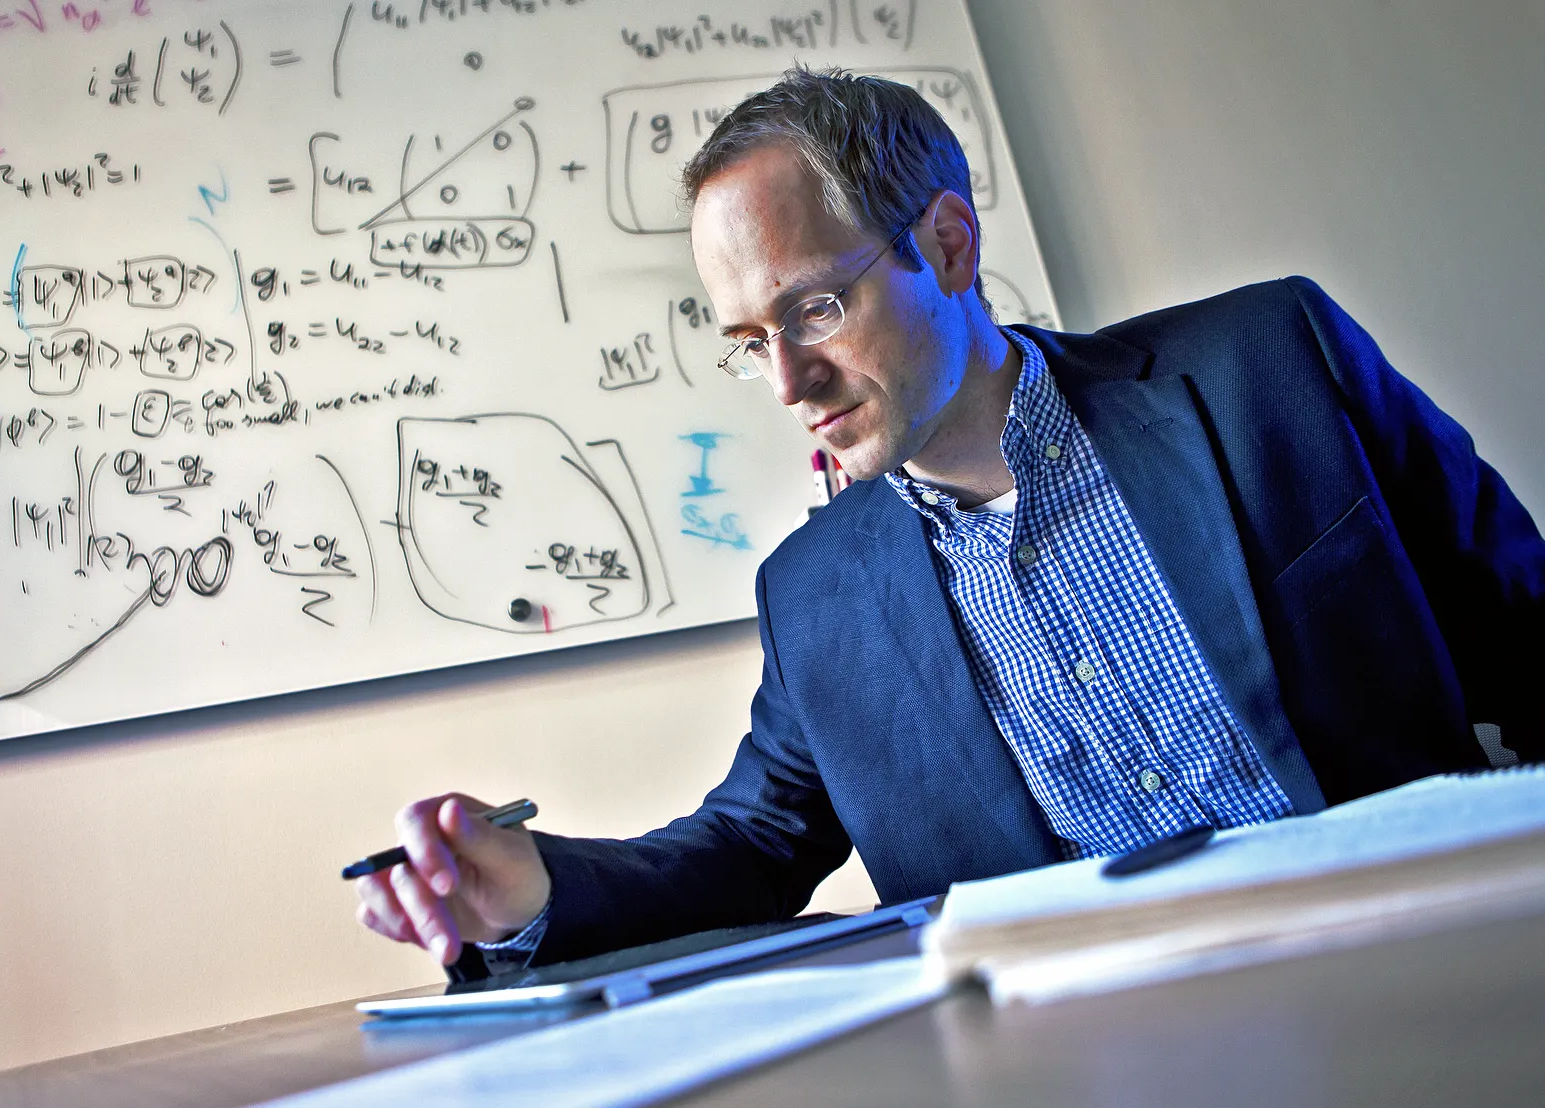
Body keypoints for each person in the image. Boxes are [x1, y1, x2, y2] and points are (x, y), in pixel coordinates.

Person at [353, 68, 1545, 976]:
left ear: (948, 243)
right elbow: (748, 850)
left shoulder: (1266, 368)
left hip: (1434, 966)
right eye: (747, 342)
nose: (786, 382)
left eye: (812, 307)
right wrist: (528, 891)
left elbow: (1525, 634)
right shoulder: (814, 595)